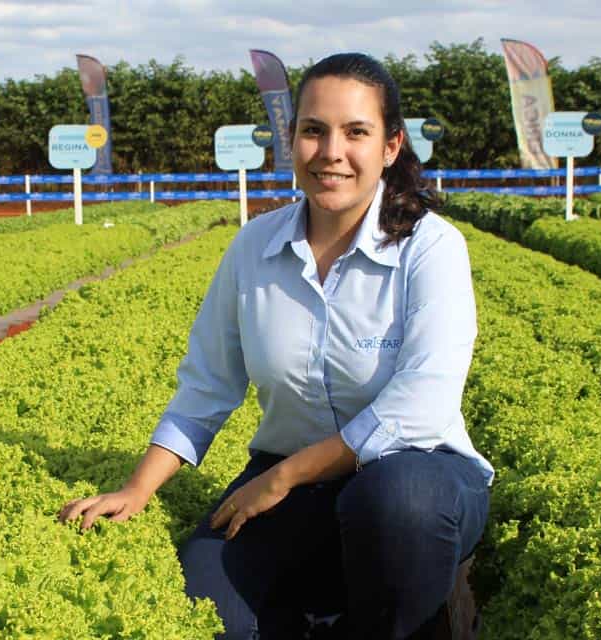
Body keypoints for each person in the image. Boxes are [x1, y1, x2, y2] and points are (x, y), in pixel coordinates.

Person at [59, 52, 493, 639]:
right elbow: (207, 385)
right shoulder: (253, 249)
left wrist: (286, 475)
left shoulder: (429, 249)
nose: (331, 152)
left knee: (397, 504)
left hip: (419, 480)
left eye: (356, 132)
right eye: (313, 131)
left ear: (390, 147)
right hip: (296, 488)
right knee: (210, 595)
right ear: (291, 142)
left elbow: (421, 406)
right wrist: (137, 489)